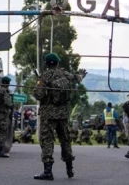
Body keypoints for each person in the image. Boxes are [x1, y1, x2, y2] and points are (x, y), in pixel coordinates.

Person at [33, 52, 87, 180]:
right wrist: (81, 75)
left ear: (47, 64)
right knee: (65, 139)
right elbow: (77, 78)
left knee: (47, 140)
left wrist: (38, 86)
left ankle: (47, 171)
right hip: (63, 113)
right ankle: (69, 169)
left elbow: (39, 95)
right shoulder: (65, 74)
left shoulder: (44, 76)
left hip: (48, 114)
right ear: (57, 63)